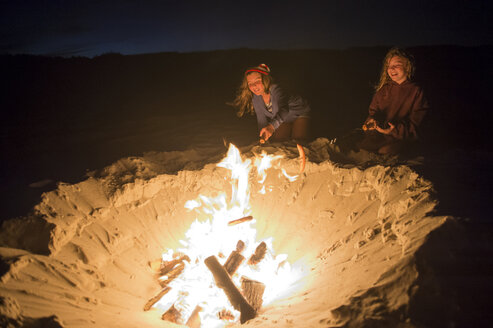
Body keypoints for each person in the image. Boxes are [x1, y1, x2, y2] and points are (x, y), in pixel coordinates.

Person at [355, 47, 429, 155]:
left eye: (397, 65)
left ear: (408, 67)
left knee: (385, 152)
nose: (391, 69)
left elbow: (417, 123)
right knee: (360, 149)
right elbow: (373, 112)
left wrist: (395, 130)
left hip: (402, 138)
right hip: (381, 138)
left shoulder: (416, 91)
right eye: (389, 66)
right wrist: (372, 121)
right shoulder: (383, 89)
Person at [232, 64, 311, 143]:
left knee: (298, 142)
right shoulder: (256, 98)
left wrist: (271, 127)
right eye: (250, 83)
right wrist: (263, 137)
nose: (254, 85)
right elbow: (261, 119)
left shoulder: (276, 90)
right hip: (283, 119)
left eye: (257, 81)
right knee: (278, 142)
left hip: (299, 113)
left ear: (266, 80)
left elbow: (284, 110)